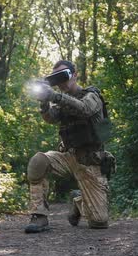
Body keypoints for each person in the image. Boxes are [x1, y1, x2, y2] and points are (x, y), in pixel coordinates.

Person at [25, 60, 114, 233]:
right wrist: (44, 102)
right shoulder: (61, 103)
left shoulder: (92, 95)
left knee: (99, 222)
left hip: (89, 161)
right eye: (55, 78)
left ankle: (78, 202)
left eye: (63, 75)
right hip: (67, 156)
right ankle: (39, 215)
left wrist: (54, 96)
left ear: (75, 75)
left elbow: (85, 109)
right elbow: (50, 118)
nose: (61, 82)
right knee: (38, 161)